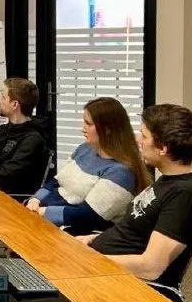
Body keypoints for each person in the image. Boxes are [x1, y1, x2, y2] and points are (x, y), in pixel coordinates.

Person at [77, 103, 192, 302]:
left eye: (144, 136)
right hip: (105, 270)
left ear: (163, 148)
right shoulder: (168, 181)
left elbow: (150, 267)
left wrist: (90, 260)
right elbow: (133, 232)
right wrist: (92, 239)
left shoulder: (187, 195)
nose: (139, 140)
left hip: (131, 285)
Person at [25, 97, 151, 235]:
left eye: (88, 124)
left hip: (74, 230)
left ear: (107, 129)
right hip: (45, 213)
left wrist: (43, 212)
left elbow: (89, 215)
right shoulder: (84, 148)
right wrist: (36, 199)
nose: (83, 129)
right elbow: (57, 181)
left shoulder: (121, 172)